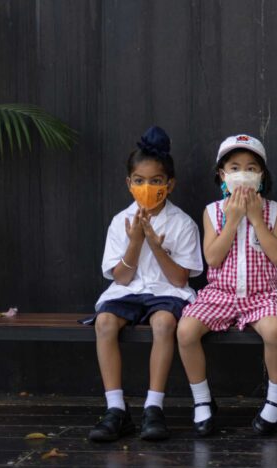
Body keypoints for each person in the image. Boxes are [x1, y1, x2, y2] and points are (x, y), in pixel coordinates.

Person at [88, 126, 202, 442]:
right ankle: (115, 409)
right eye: (139, 181)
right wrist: (136, 241)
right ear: (129, 183)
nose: (147, 187)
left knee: (165, 323)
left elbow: (180, 278)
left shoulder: (182, 223)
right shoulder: (119, 221)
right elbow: (121, 277)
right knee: (106, 322)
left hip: (166, 292)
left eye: (155, 181)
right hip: (128, 290)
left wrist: (155, 244)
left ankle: (154, 406)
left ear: (169, 184)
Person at [177, 134, 277, 437]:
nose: (244, 173)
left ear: (262, 176)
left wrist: (255, 218)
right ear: (222, 175)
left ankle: (275, 401)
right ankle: (202, 400)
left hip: (261, 294)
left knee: (276, 331)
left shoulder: (274, 210)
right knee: (186, 331)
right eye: (235, 167)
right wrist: (232, 220)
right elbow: (212, 259)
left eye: (252, 168)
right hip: (220, 294)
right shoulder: (212, 211)